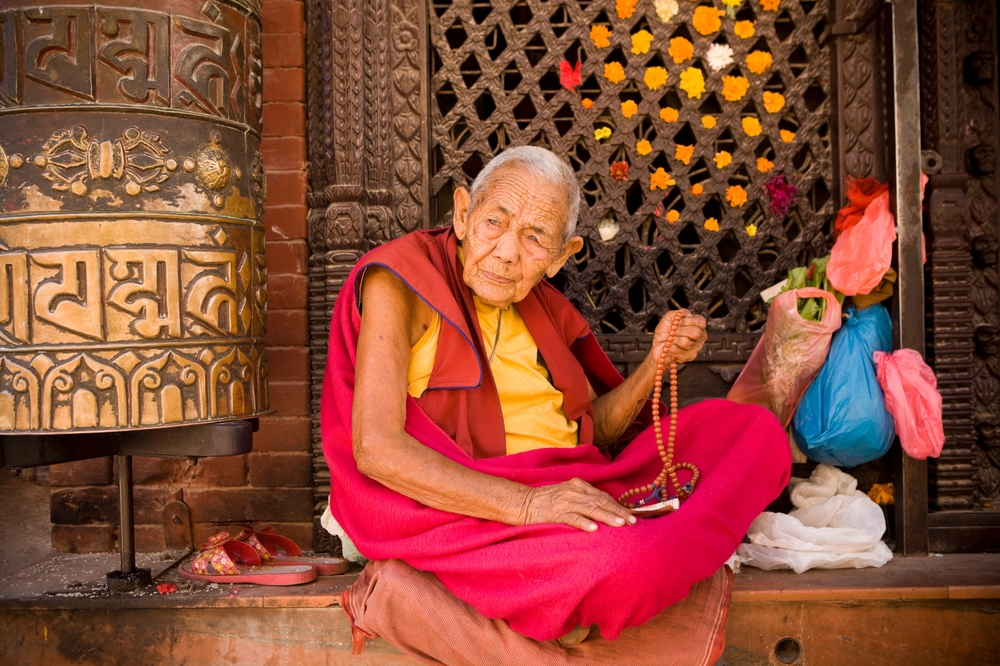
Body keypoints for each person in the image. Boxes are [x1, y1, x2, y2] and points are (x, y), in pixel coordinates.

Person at [321, 146, 791, 665]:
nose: (506, 252)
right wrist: (529, 505)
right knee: (629, 562)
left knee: (753, 433)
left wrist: (655, 364)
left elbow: (596, 431)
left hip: (569, 492)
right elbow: (376, 449)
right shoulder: (402, 278)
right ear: (462, 213)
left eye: (534, 238)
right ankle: (420, 597)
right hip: (468, 512)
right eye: (494, 223)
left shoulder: (543, 306)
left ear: (562, 255)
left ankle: (554, 599)